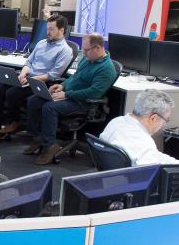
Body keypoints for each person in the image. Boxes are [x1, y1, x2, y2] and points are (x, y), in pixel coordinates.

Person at [25, 33, 115, 165]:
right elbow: (75, 77)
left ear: (97, 48)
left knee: (49, 108)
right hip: (70, 95)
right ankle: (39, 138)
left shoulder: (106, 69)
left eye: (86, 50)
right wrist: (62, 86)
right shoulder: (87, 59)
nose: (83, 53)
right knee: (34, 100)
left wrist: (67, 94)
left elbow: (93, 93)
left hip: (83, 103)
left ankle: (50, 146)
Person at [0, 13, 73, 135]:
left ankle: (15, 123)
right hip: (28, 77)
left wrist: (31, 79)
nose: (48, 32)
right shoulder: (42, 43)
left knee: (12, 93)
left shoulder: (65, 50)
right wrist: (23, 74)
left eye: (51, 29)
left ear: (61, 30)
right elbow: (28, 62)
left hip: (42, 82)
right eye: (47, 29)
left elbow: (54, 74)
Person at [99, 89, 179, 166]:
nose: (164, 124)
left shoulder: (116, 121)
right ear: (153, 118)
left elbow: (155, 155)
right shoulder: (143, 141)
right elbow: (150, 174)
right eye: (166, 119)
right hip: (131, 180)